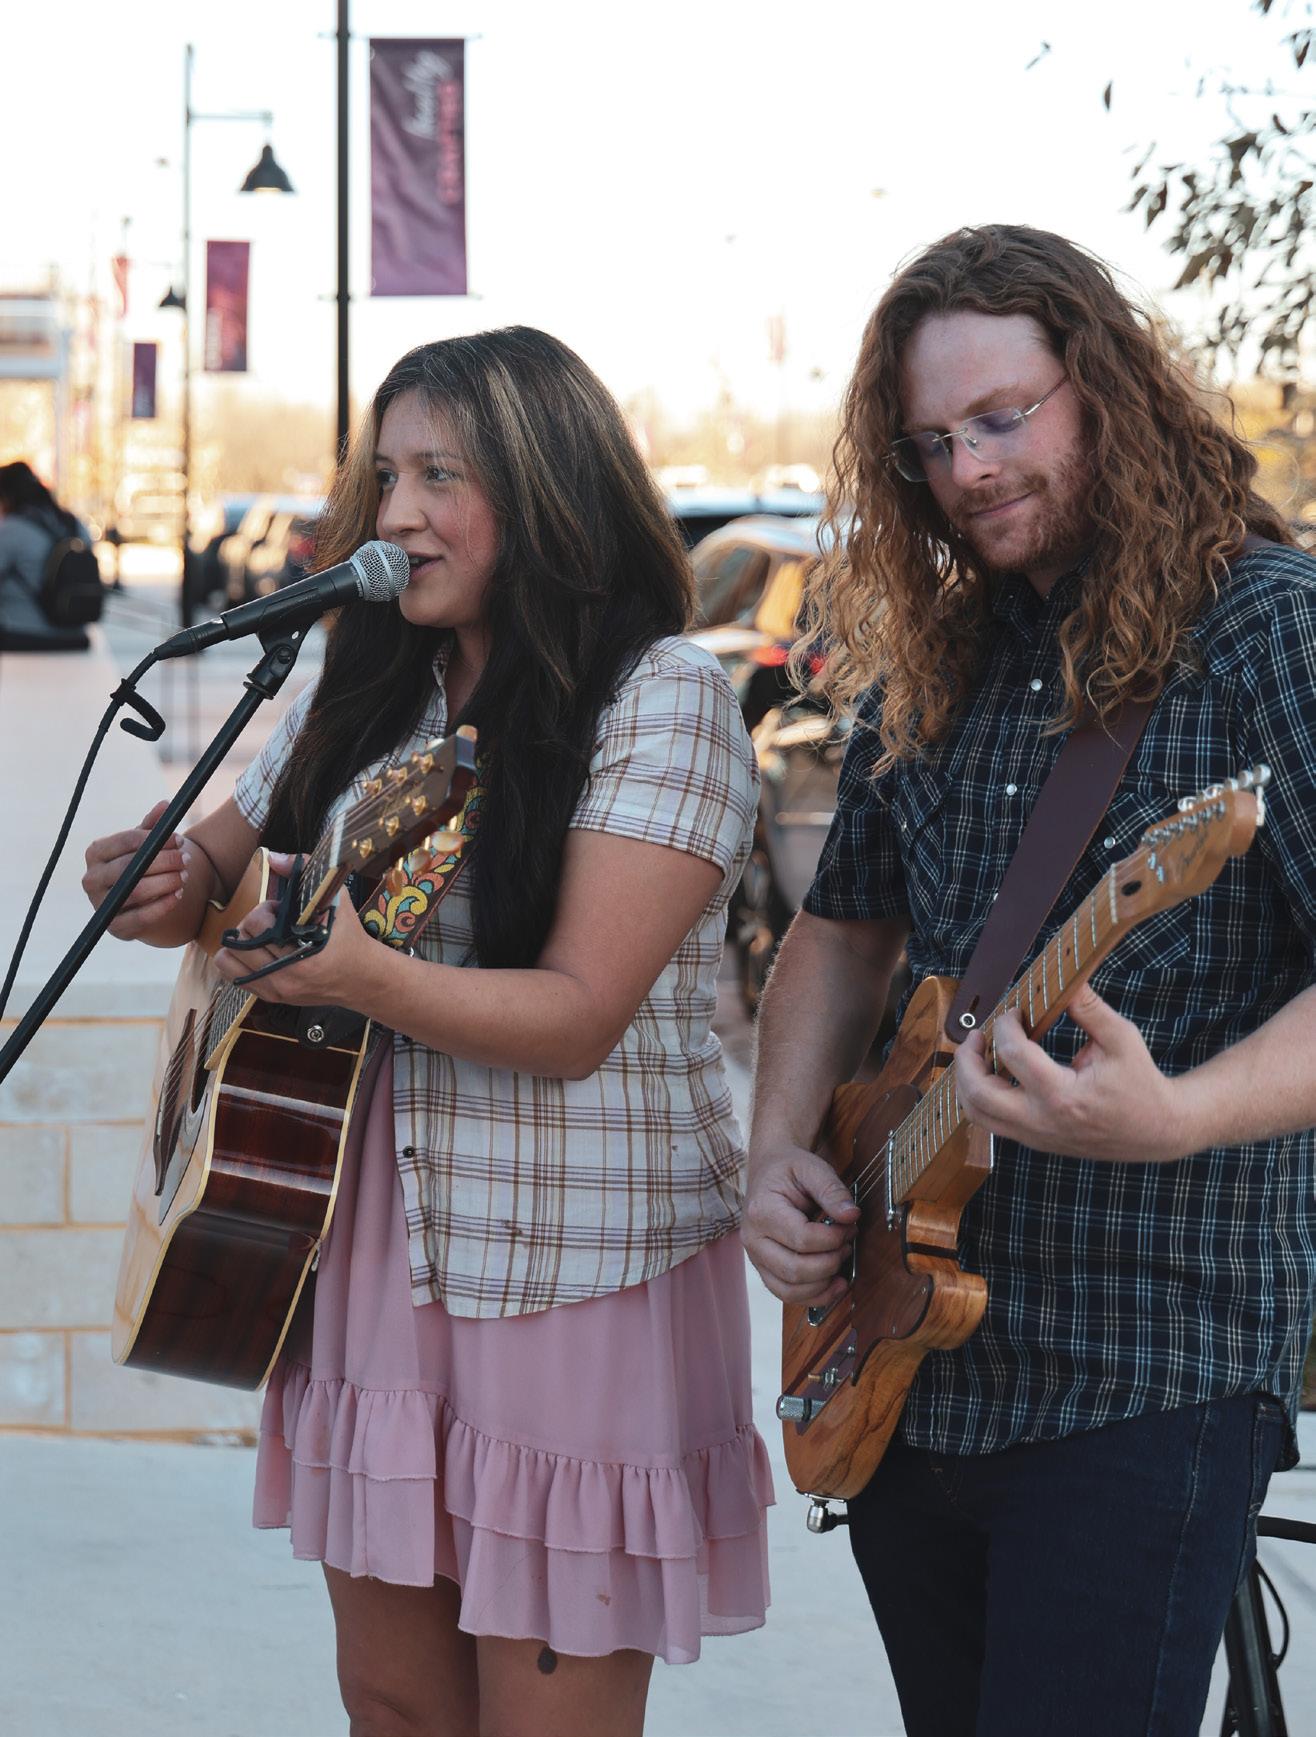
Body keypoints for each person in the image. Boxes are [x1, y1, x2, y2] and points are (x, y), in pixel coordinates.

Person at [82, 327, 771, 1737]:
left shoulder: (663, 697)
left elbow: (578, 1015)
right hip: (366, 1244)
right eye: (385, 475)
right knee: (391, 1703)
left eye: (441, 475)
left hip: (573, 1263)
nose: (395, 513)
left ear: (548, 488)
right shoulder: (366, 677)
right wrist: (166, 884)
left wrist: (358, 975)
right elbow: (222, 869)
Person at [743, 225, 1316, 1737]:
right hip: (907, 1359)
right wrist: (779, 1151)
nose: (969, 470)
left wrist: (1181, 1112)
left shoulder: (1267, 628)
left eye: (1002, 418)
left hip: (1150, 1363)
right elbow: (840, 931)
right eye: (931, 443)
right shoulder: (938, 652)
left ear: (1104, 388)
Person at [0, 459, 93, 650]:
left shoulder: (11, 530)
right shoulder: (74, 524)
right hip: (76, 635)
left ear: (7, 496)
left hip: (24, 635)